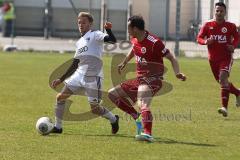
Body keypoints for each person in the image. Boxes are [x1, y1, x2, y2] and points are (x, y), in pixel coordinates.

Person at [108, 15, 186, 142]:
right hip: (140, 79)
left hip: (153, 79)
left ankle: (148, 133)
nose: (127, 30)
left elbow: (171, 57)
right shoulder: (134, 38)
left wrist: (177, 72)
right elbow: (134, 48)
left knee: (142, 103)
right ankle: (137, 116)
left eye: (128, 27)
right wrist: (124, 62)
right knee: (112, 94)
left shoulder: (154, 42)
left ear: (135, 28)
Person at [51, 12, 119, 134]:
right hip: (78, 75)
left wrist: (108, 30)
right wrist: (60, 79)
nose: (81, 25)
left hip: (93, 77)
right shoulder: (79, 42)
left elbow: (112, 40)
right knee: (60, 97)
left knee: (95, 109)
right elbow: (75, 64)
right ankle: (58, 127)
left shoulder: (95, 34)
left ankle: (114, 119)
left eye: (84, 22)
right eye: (79, 22)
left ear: (90, 24)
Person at [197, 2, 240, 117]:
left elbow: (237, 37)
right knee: (222, 82)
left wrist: (234, 46)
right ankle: (238, 93)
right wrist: (206, 41)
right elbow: (199, 38)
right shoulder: (207, 25)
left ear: (225, 12)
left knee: (222, 78)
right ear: (214, 12)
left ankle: (224, 108)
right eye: (217, 11)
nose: (219, 13)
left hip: (226, 58)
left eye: (221, 11)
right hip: (213, 59)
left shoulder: (230, 26)